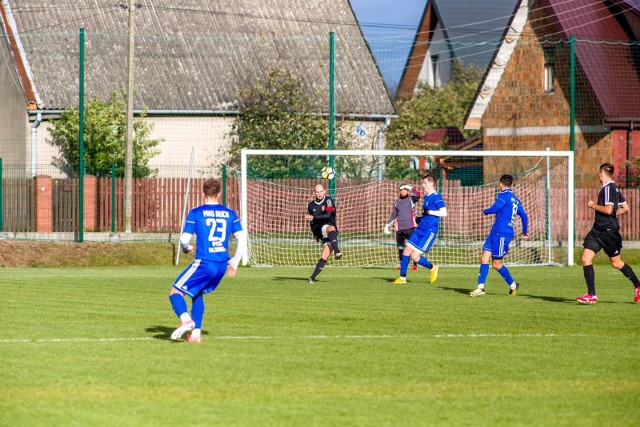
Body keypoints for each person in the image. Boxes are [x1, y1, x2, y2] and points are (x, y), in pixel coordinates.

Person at [169, 178, 247, 342]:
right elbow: (242, 238)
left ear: (202, 193)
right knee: (197, 293)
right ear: (219, 194)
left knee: (175, 292)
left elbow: (184, 239)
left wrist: (186, 248)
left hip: (205, 262)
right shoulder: (230, 213)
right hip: (221, 265)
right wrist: (235, 262)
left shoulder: (196, 213)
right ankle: (195, 334)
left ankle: (185, 320)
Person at [576, 163, 640, 304]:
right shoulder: (613, 188)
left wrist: (593, 205)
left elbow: (609, 210)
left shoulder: (608, 189)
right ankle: (591, 294)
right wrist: (611, 215)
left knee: (616, 263)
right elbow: (626, 208)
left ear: (601, 174)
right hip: (597, 230)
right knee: (586, 258)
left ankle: (638, 285)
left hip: (609, 233)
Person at [470, 174, 528, 297]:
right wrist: (525, 231)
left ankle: (513, 285)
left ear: (500, 184)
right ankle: (480, 288)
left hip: (502, 234)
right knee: (484, 257)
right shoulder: (515, 200)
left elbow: (495, 208)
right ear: (511, 185)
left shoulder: (503, 195)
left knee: (496, 264)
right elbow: (524, 215)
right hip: (495, 232)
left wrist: (485, 211)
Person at [393, 174, 446, 284]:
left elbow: (444, 213)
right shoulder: (426, 196)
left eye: (425, 183)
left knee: (415, 256)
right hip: (420, 228)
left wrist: (429, 212)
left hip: (429, 231)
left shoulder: (436, 196)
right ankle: (402, 278)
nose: (423, 185)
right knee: (406, 250)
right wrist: (419, 218)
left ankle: (432, 268)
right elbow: (426, 214)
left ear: (431, 184)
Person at [306, 183, 342, 283]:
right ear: (315, 193)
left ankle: (312, 278)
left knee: (325, 255)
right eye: (317, 192)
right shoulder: (311, 206)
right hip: (320, 228)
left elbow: (328, 215)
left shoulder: (329, 201)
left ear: (324, 192)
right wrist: (315, 234)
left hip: (330, 231)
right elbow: (312, 223)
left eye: (321, 191)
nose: (319, 194)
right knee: (331, 228)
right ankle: (337, 251)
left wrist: (313, 217)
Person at [384, 184, 421, 271]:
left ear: (407, 191)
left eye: (405, 190)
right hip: (400, 229)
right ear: (399, 192)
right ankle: (402, 265)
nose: (403, 191)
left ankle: (415, 264)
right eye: (401, 190)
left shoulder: (411, 199)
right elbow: (393, 215)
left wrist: (410, 187)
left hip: (410, 228)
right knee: (401, 248)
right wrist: (387, 225)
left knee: (412, 247)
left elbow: (418, 195)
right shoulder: (397, 202)